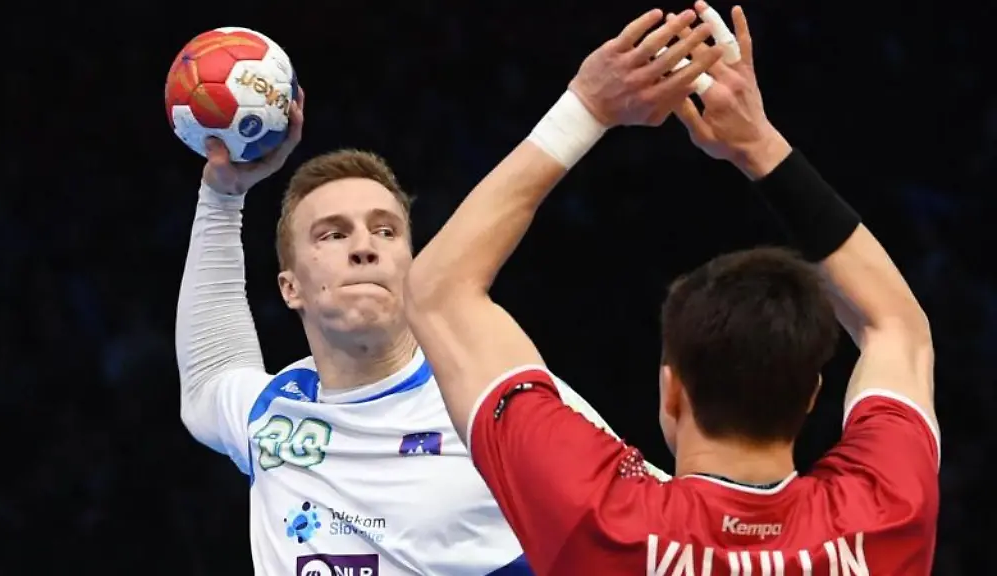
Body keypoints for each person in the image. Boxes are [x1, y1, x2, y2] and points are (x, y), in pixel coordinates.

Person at [403, 2, 940, 574]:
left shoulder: (599, 515)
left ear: (672, 390)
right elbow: (895, 323)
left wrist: (586, 108)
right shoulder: (887, 513)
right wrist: (758, 144)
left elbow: (439, 290)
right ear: (811, 394)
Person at [175, 9, 718, 575]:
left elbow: (671, 525)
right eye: (333, 234)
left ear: (415, 268)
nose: (364, 248)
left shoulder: (499, 405)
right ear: (291, 288)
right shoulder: (272, 413)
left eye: (386, 231)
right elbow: (210, 372)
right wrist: (223, 195)